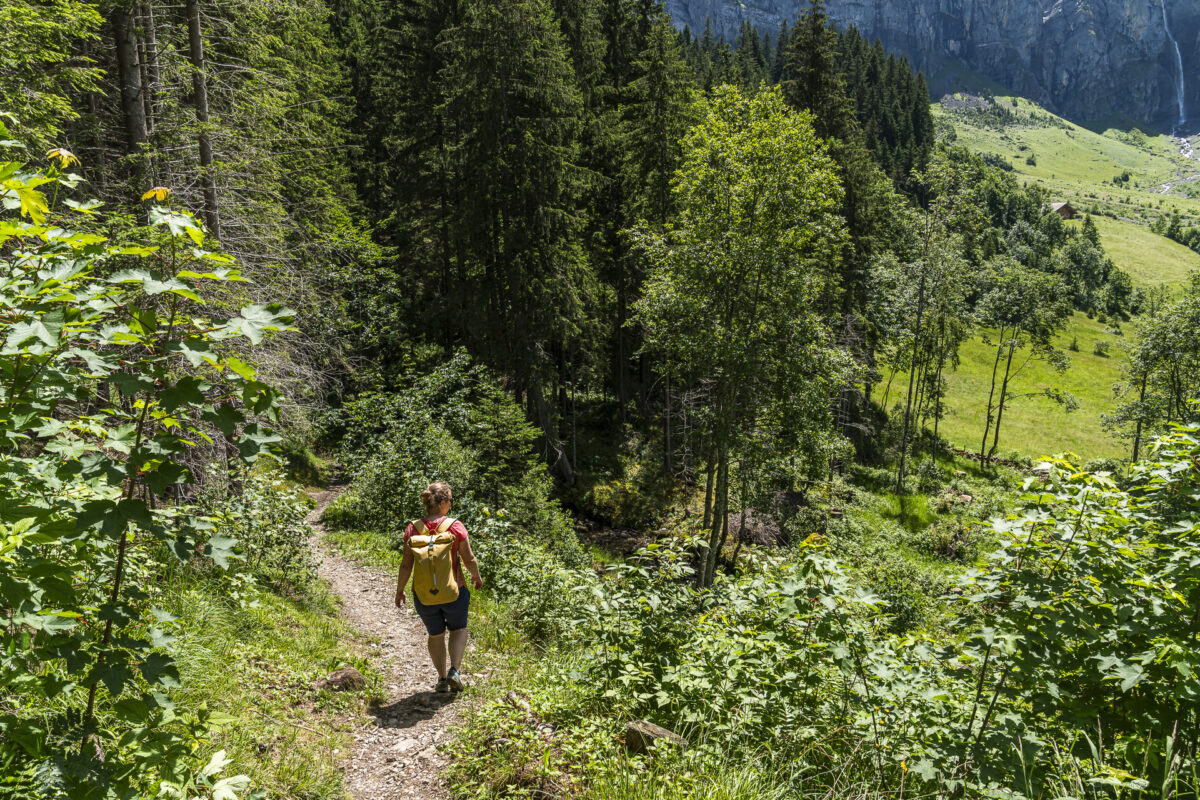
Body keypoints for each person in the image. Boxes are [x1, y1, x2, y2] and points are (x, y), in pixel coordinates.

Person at [394, 481, 483, 693]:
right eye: (450, 501)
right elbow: (469, 558)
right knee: (459, 629)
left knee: (435, 635)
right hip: (454, 591)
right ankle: (454, 671)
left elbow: (406, 565)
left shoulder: (413, 528)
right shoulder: (455, 526)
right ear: (442, 502)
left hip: (423, 594)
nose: (451, 504)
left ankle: (442, 679)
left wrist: (399, 590)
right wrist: (477, 577)